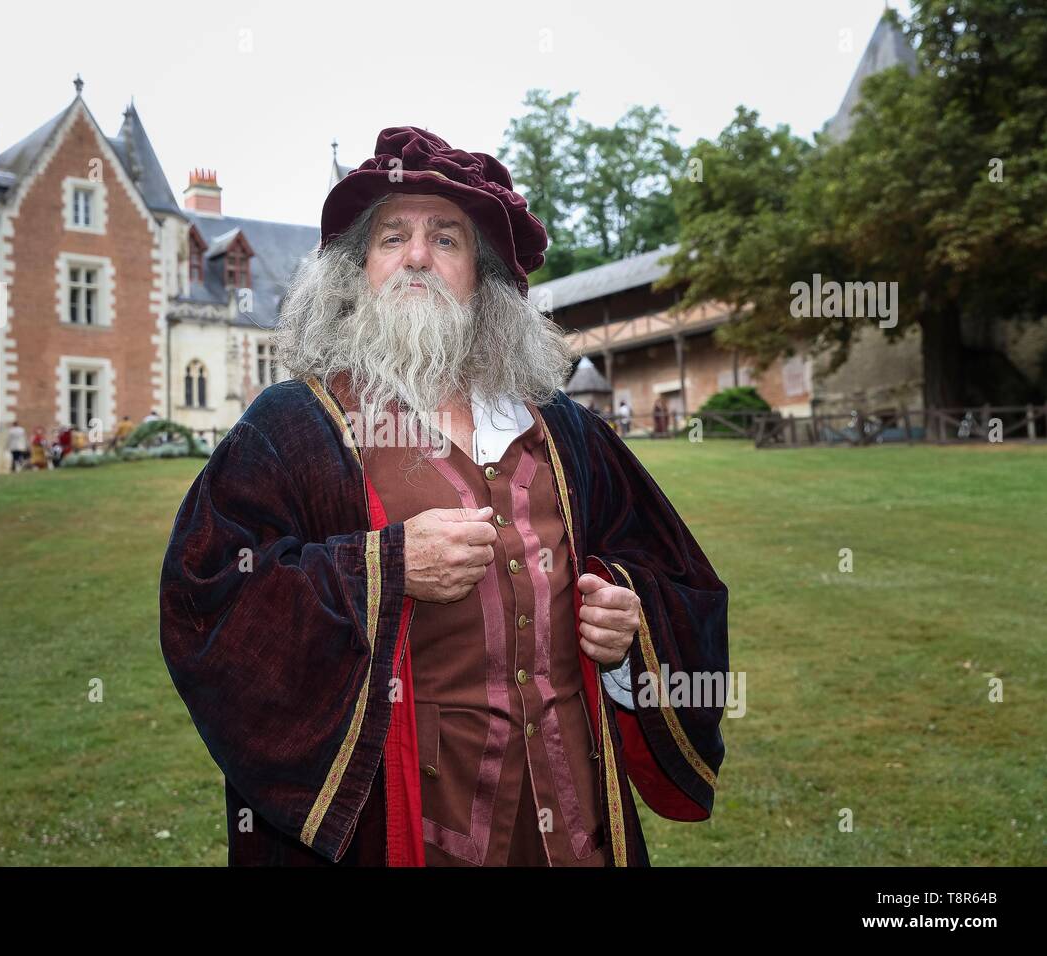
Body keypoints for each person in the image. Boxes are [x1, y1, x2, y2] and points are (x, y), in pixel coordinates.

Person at [158, 127, 729, 868]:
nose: (418, 256)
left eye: (447, 239)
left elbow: (679, 580)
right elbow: (208, 602)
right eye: (392, 237)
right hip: (401, 833)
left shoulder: (565, 432)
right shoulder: (293, 429)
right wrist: (384, 569)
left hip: (576, 822)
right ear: (355, 272)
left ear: (482, 279)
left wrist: (628, 626)